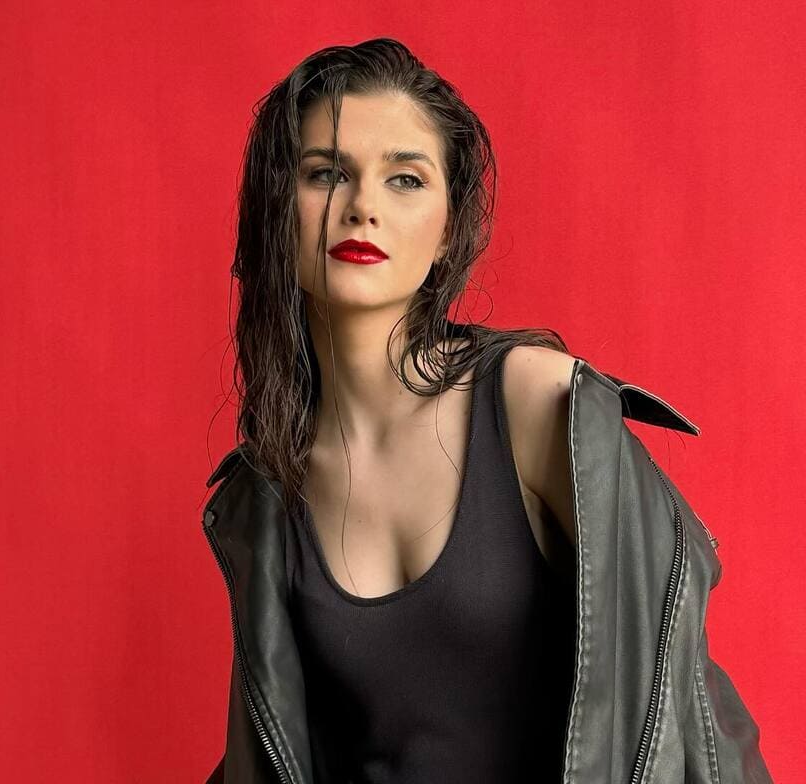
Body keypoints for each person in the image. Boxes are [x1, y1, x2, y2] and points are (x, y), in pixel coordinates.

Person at [203, 37, 772, 783]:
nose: (363, 206)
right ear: (279, 209)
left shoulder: (536, 405)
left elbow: (685, 707)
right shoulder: (267, 487)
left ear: (447, 230)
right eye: (326, 173)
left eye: (405, 179)